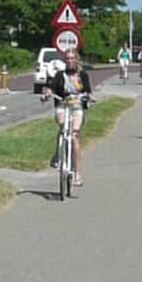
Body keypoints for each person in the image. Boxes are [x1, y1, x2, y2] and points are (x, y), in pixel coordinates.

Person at [37, 46, 92, 190]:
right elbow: (51, 88)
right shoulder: (60, 75)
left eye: (72, 58)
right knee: (63, 126)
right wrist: (46, 94)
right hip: (62, 105)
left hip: (77, 107)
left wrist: (90, 97)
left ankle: (77, 173)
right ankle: (58, 153)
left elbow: (88, 91)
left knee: (74, 134)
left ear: (77, 59)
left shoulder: (82, 75)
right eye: (67, 59)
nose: (70, 61)